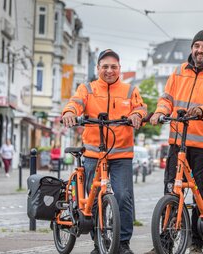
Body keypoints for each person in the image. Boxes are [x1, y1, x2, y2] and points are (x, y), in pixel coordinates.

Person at [148, 29, 203, 254]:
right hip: (178, 143)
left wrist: (202, 111)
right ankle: (164, 246)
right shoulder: (178, 72)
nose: (200, 50)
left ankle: (196, 245)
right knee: (171, 192)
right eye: (197, 46)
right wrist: (159, 112)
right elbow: (166, 99)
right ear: (192, 49)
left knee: (202, 197)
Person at [62, 49, 147, 254]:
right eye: (105, 67)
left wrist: (137, 115)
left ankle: (123, 243)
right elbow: (75, 102)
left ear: (120, 69)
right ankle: (98, 243)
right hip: (93, 152)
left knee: (123, 196)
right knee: (94, 197)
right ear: (98, 68)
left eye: (114, 67)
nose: (109, 70)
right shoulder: (87, 89)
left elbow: (141, 108)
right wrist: (70, 112)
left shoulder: (129, 90)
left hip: (121, 154)